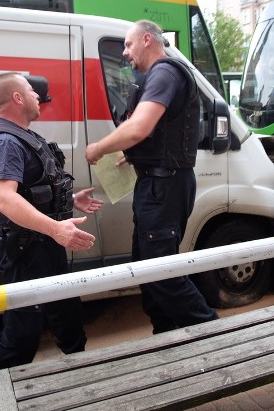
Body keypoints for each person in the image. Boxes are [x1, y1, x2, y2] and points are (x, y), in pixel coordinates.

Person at [85, 19, 218, 334]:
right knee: (146, 270)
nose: (126, 53)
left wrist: (99, 149)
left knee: (160, 274)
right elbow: (157, 132)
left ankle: (215, 335)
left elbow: (140, 127)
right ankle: (167, 336)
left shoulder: (163, 73)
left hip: (165, 186)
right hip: (158, 185)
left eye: (129, 45)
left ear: (147, 39)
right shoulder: (158, 76)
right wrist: (131, 155)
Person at [0, 72, 102, 404]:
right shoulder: (4, 142)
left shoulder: (23, 136)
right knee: (21, 336)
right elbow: (5, 199)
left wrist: (68, 201)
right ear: (18, 98)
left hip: (46, 248)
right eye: (32, 91)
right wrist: (56, 228)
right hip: (26, 252)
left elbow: (32, 189)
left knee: (69, 322)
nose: (38, 97)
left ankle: (84, 392)